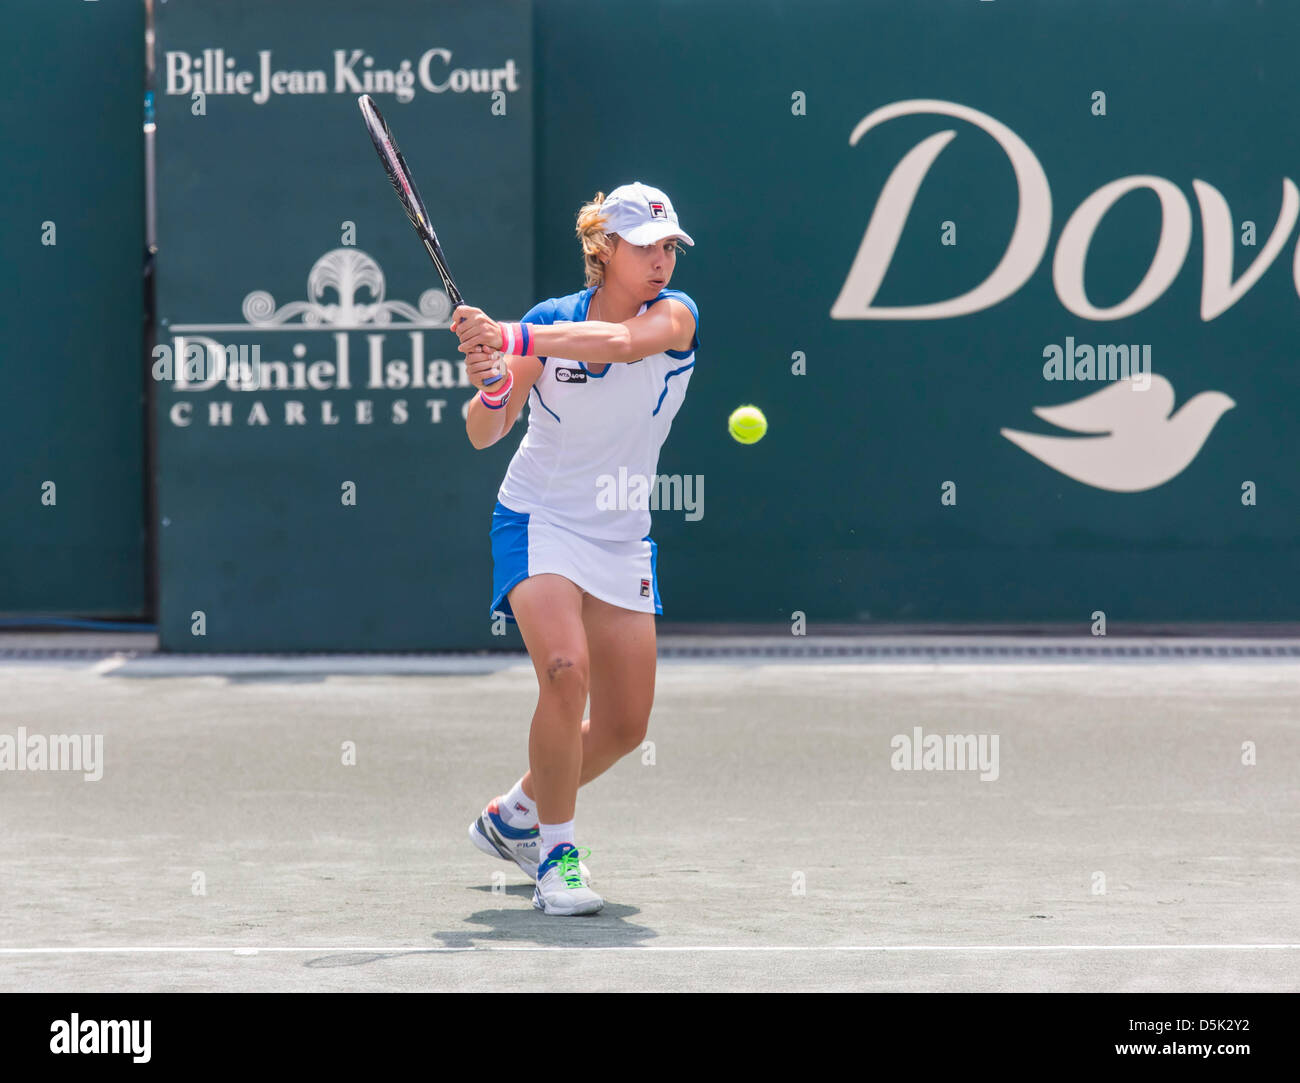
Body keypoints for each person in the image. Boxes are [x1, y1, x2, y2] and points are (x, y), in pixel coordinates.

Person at [452, 182, 699, 915]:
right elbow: (483, 431)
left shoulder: (677, 317)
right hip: (540, 519)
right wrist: (494, 386)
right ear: (605, 250)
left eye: (669, 247)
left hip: (621, 536)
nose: (661, 261)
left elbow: (622, 345)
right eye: (646, 247)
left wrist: (511, 338)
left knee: (626, 726)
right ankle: (556, 854)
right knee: (565, 671)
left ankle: (515, 812)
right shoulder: (550, 321)